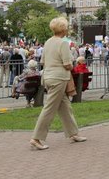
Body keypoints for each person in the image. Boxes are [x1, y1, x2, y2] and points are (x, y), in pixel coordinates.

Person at [30, 17, 86, 150]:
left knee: (65, 106)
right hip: (59, 79)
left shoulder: (48, 42)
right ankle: (36, 138)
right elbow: (67, 64)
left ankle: (73, 133)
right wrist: (72, 66)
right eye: (66, 27)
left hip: (48, 77)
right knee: (49, 108)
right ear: (64, 29)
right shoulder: (63, 43)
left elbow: (43, 61)